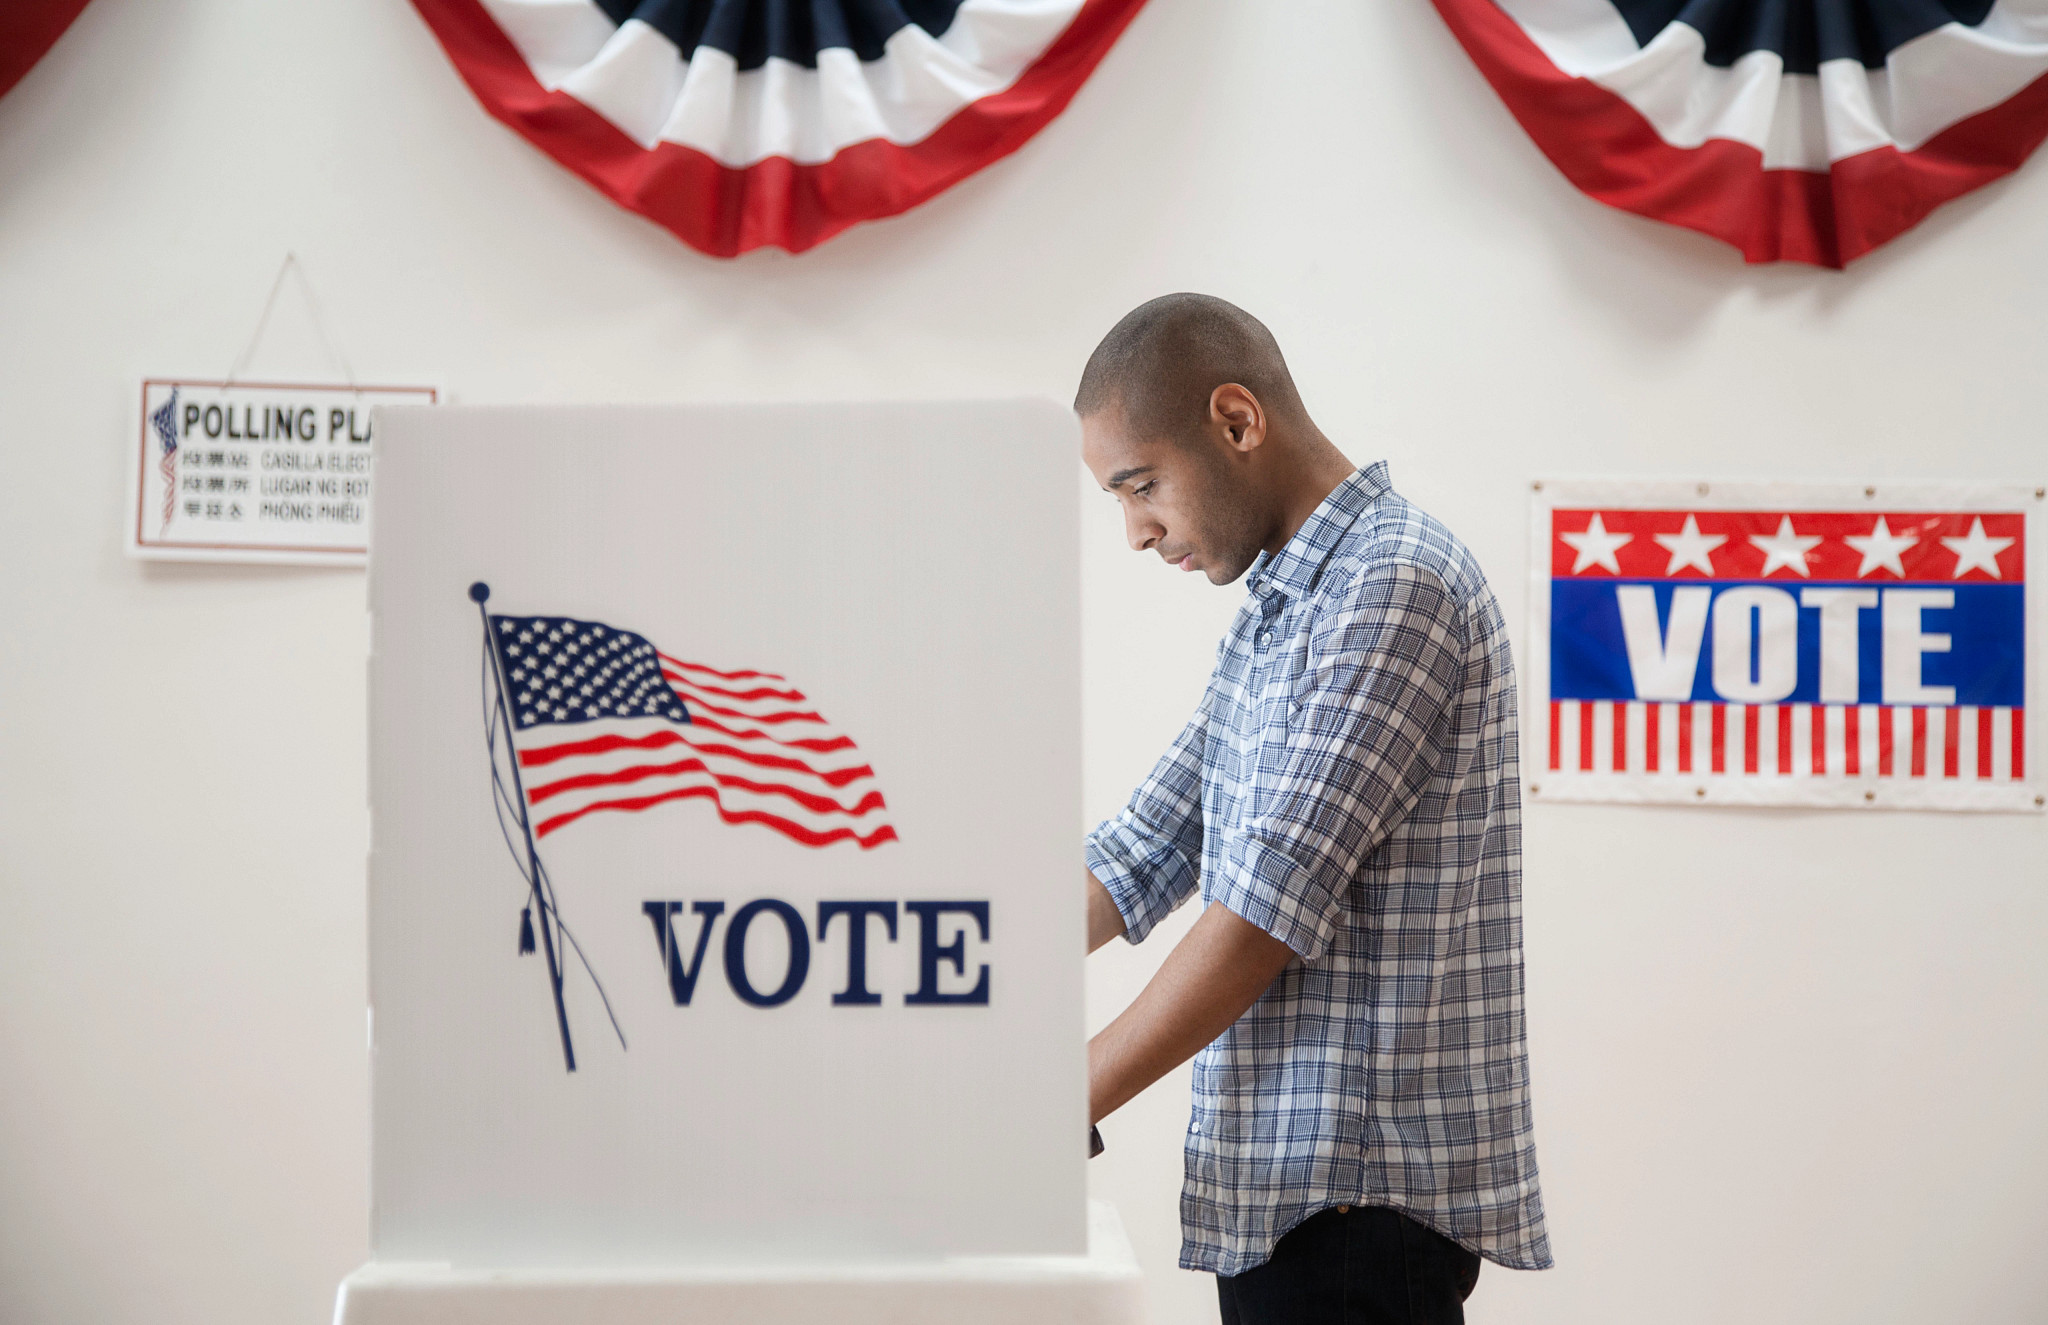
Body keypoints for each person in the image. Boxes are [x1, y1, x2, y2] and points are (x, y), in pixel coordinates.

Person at [1077, 294, 1551, 1324]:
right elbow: (1143, 847)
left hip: (1356, 1214)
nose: (1136, 531)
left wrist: (1061, 1092)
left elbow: (1262, 913)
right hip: (1287, 1205)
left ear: (1236, 421)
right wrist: (950, 964)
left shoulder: (1393, 583)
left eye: (1140, 485)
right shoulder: (1282, 610)